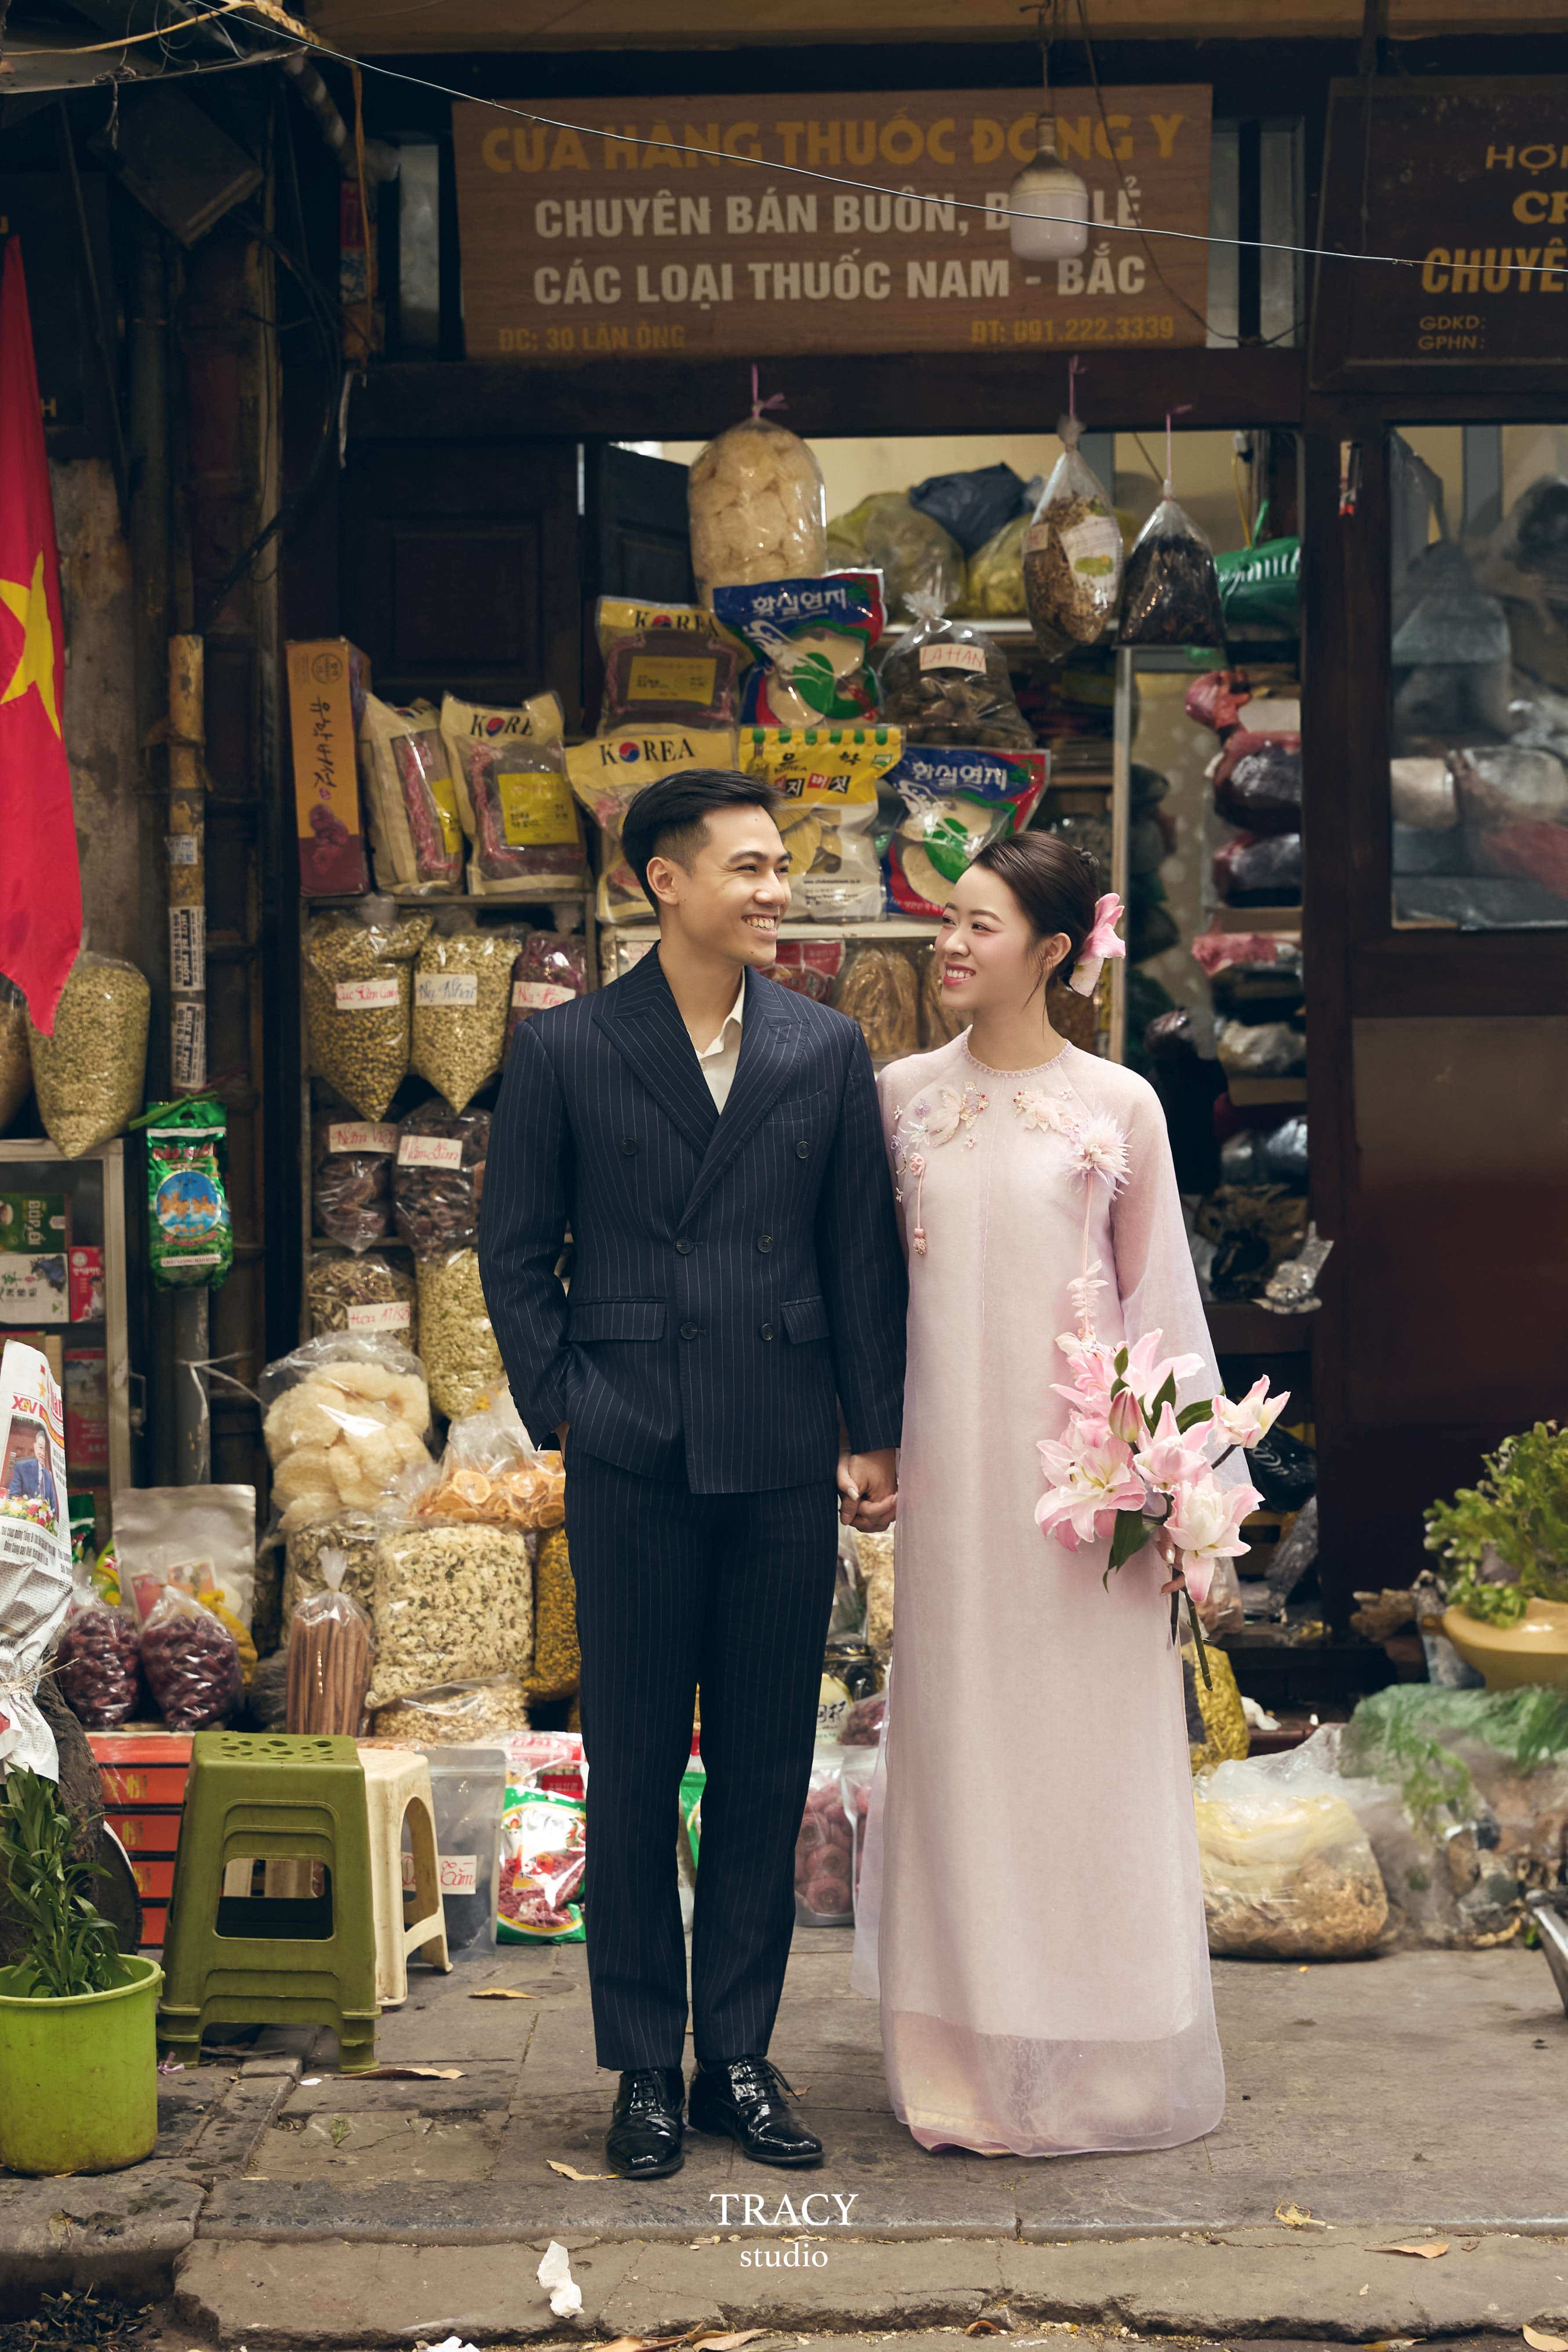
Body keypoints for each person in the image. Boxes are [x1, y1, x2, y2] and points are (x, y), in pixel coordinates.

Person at [480, 767, 906, 2181]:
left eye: (781, 867)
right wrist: (568, 1408)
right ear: (662, 881)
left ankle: (735, 2052)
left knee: (769, 1762)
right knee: (636, 1764)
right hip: (632, 1449)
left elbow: (858, 1256)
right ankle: (638, 2067)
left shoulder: (819, 1048)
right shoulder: (567, 1048)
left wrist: (873, 1428)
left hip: (781, 1447)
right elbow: (512, 1247)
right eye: (748, 867)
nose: (774, 891)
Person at [851, 832, 1229, 2159]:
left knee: (1083, 1764)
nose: (951, 944)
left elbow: (1160, 1306)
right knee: (960, 1754)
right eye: (946, 921)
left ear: (1055, 950)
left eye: (982, 924)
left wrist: (1187, 1501)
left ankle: (1106, 2067)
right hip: (950, 1494)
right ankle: (956, 2060)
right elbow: (872, 1298)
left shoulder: (1119, 1106)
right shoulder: (897, 1097)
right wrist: (869, 1440)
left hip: (1083, 1496)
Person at [6, 1425, 58, 1527]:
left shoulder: (49, 1478)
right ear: (35, 1447)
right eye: (40, 1447)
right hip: (21, 1522)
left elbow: (53, 1507)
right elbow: (13, 1497)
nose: (43, 1453)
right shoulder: (22, 1468)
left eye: (46, 1450)